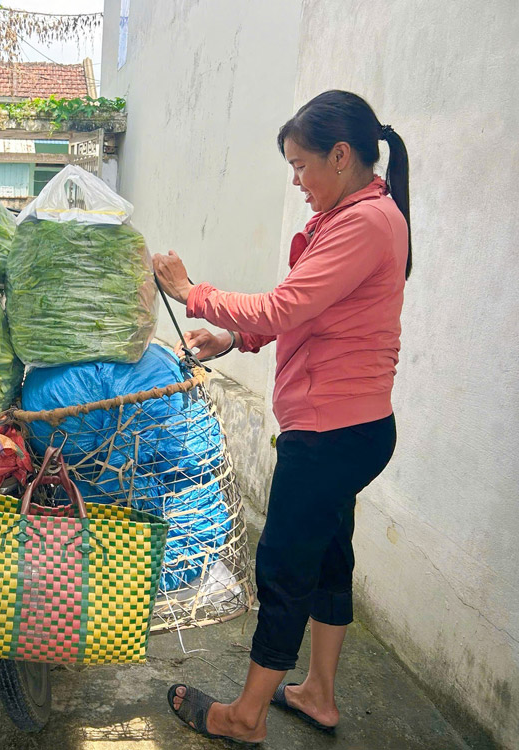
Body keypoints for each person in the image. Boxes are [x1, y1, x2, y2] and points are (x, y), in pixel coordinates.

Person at [154, 90, 410, 745]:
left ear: (342, 156)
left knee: (285, 568)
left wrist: (193, 294)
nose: (295, 180)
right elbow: (312, 314)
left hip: (330, 435)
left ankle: (245, 716)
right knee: (326, 558)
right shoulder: (359, 216)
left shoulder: (364, 222)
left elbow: (283, 306)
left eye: (302, 164)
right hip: (353, 428)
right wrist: (232, 339)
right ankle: (318, 694)